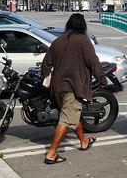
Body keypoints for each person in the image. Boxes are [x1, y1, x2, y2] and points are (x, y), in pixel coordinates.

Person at [40, 13, 106, 165]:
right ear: (83, 26)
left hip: (58, 87)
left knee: (72, 114)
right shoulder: (84, 41)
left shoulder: (58, 41)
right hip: (73, 87)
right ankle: (51, 154)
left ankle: (83, 141)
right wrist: (102, 79)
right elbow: (93, 62)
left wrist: (46, 78)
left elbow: (46, 64)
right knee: (66, 118)